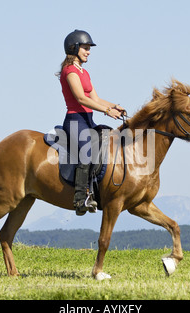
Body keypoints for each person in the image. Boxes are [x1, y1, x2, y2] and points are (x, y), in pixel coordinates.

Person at [58, 29, 125, 216]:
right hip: (75, 120)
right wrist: (106, 111)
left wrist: (115, 106)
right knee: (86, 153)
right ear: (74, 48)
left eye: (89, 48)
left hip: (88, 120)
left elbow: (95, 98)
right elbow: (81, 99)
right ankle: (80, 198)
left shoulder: (84, 72)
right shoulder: (70, 71)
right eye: (85, 48)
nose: (88, 52)